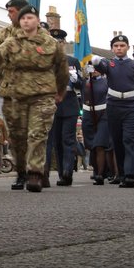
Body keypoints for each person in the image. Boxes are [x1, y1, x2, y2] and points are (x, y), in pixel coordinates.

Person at [0, 5, 67, 192]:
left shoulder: (50, 43)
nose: (26, 21)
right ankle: (22, 172)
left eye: (30, 18)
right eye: (23, 19)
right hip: (15, 96)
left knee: (37, 134)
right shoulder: (10, 42)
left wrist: (60, 91)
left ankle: (35, 174)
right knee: (18, 137)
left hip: (42, 96)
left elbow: (61, 69)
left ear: (37, 21)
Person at [93, 34, 134, 188]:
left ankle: (130, 175)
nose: (119, 48)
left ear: (128, 48)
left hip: (131, 105)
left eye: (122, 46)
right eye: (116, 46)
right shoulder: (109, 64)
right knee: (117, 141)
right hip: (113, 106)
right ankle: (122, 174)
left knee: (129, 140)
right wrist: (96, 62)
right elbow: (99, 67)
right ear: (112, 49)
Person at [44, 38, 83, 187]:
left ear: (64, 44)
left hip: (69, 103)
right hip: (50, 103)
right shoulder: (45, 60)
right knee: (55, 142)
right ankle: (56, 173)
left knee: (68, 140)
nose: (57, 45)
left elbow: (81, 83)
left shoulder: (73, 61)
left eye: (60, 42)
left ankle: (67, 172)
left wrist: (74, 78)